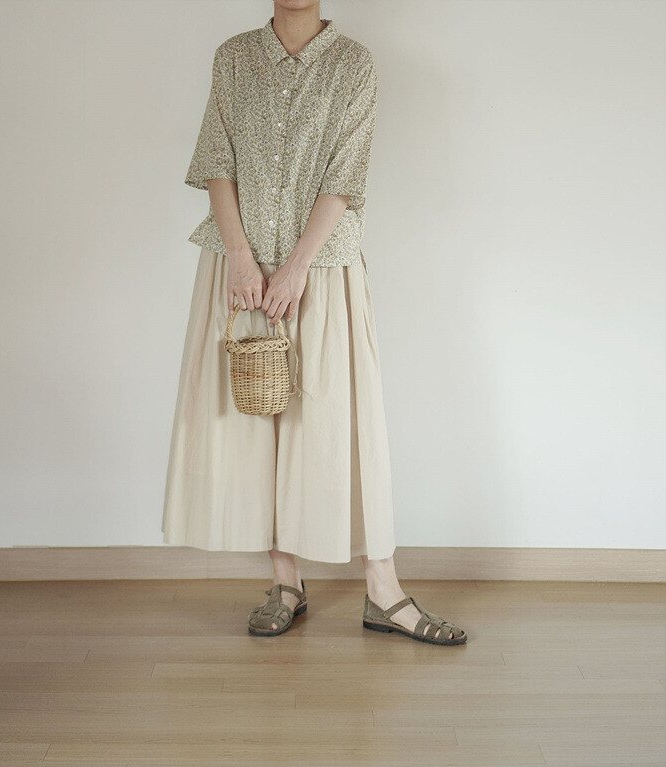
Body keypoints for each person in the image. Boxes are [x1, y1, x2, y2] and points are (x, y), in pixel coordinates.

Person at [162, 0, 467, 645]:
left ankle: (383, 589)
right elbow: (217, 162)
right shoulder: (233, 58)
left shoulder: (355, 64)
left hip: (322, 267)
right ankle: (285, 582)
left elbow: (344, 176)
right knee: (259, 423)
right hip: (240, 266)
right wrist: (242, 259)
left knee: (342, 424)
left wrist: (297, 265)